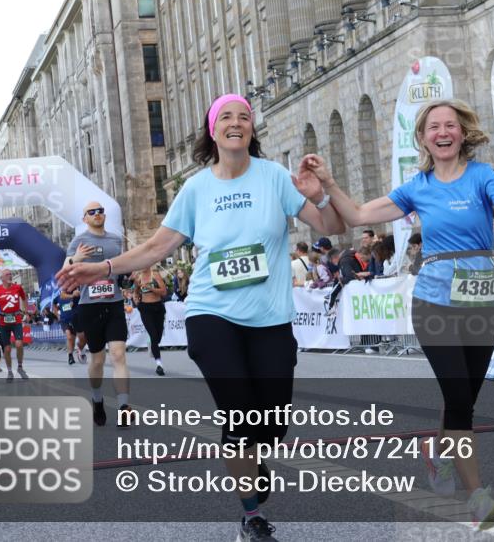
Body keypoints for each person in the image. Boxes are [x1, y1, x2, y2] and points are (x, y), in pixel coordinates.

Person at [58, 93, 344, 542]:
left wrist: (321, 195)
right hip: (212, 315)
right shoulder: (196, 188)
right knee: (237, 416)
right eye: (226, 117)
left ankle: (254, 456)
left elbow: (332, 228)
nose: (236, 123)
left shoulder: (275, 178)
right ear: (212, 131)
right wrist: (102, 268)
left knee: (270, 424)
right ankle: (251, 516)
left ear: (252, 129)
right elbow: (156, 248)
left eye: (244, 117)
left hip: (269, 318)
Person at [300, 98, 494, 530]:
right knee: (459, 399)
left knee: (466, 399)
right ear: (423, 138)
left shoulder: (482, 176)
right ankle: (478, 498)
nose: (443, 132)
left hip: (480, 302)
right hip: (434, 303)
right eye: (433, 127)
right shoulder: (416, 186)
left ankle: (439, 454)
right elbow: (360, 215)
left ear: (462, 133)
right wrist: (328, 183)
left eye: (450, 125)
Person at [65, 202, 131, 426]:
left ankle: (123, 405)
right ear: (85, 218)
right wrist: (78, 257)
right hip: (89, 306)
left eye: (100, 211)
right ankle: (97, 398)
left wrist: (126, 276)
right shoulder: (79, 241)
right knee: (97, 359)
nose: (97, 214)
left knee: (119, 354)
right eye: (92, 212)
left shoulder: (115, 240)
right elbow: (66, 267)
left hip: (114, 303)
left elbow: (120, 267)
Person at [0, 269, 29, 382]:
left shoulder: (17, 287)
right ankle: (10, 371)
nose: (10, 276)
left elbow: (24, 298)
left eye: (10, 274)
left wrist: (26, 312)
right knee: (7, 349)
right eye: (7, 274)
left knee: (19, 344)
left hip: (16, 319)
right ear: (1, 278)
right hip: (3, 321)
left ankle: (20, 367)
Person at [134, 265, 169, 375]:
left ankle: (153, 345)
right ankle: (159, 364)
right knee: (153, 335)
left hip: (157, 307)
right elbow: (136, 291)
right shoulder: (138, 277)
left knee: (157, 337)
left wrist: (151, 288)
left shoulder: (155, 275)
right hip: (145, 308)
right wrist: (136, 299)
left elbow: (164, 292)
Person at [54, 288, 83, 365]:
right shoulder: (59, 297)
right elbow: (54, 304)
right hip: (64, 321)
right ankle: (70, 356)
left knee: (72, 340)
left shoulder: (75, 294)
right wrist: (57, 315)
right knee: (69, 337)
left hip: (73, 319)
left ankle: (72, 354)